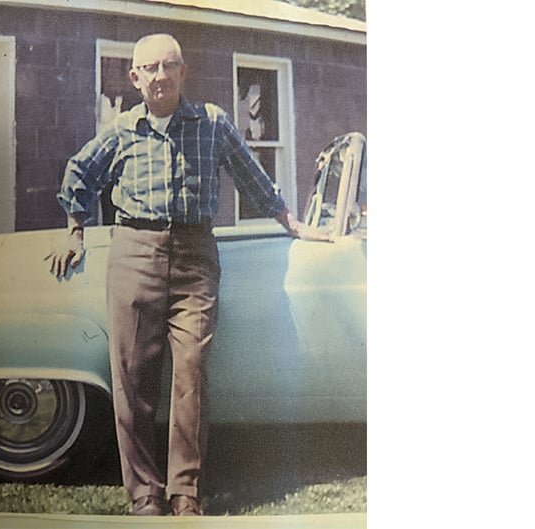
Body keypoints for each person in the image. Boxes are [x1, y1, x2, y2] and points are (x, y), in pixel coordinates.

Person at [47, 33, 329, 516]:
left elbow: (252, 176)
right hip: (134, 252)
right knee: (133, 380)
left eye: (168, 66)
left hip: (196, 256)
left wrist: (291, 222)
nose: (160, 77)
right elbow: (79, 173)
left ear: (183, 71)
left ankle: (184, 493)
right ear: (135, 78)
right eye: (149, 69)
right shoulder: (121, 130)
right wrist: (74, 230)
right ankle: (144, 496)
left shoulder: (213, 122)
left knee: (191, 374)